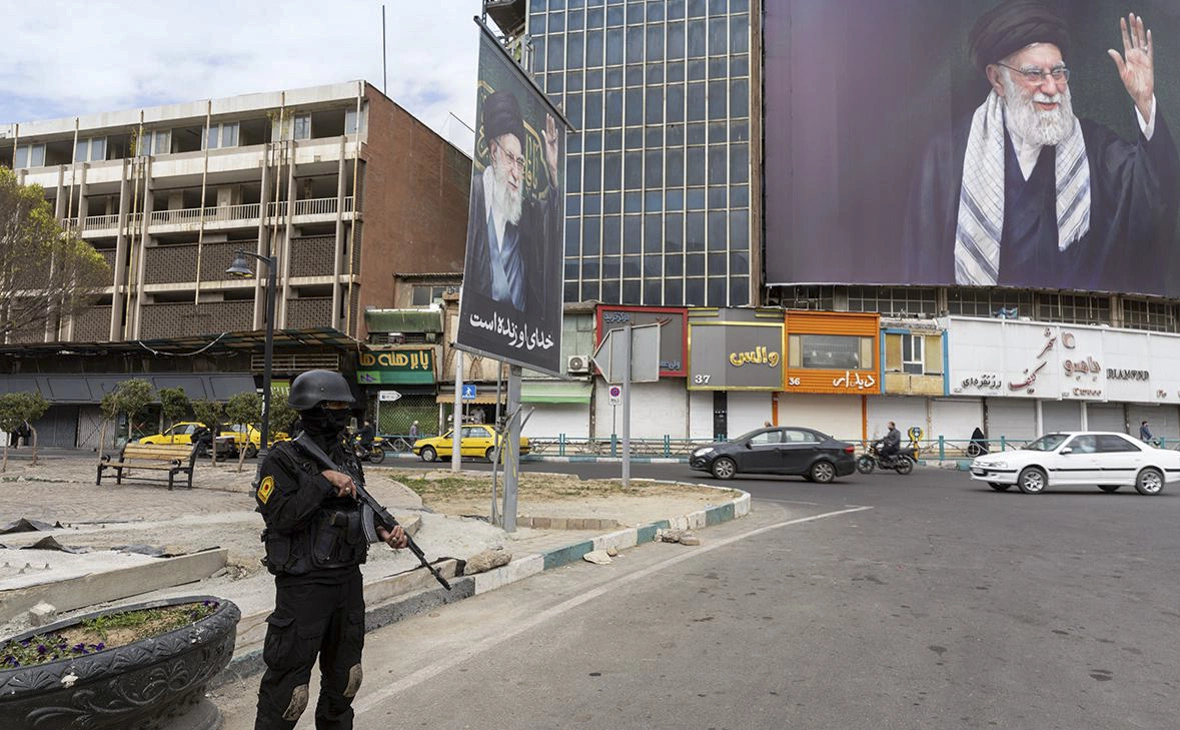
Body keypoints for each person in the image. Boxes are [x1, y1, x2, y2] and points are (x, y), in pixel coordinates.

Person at [903, 3, 1179, 294]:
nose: (1051, 87)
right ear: (997, 79)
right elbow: (923, 268)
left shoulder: (1095, 149)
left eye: (1058, 72)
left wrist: (1144, 102)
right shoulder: (946, 159)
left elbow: (1153, 195)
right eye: (1034, 74)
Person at [253, 370, 407, 730]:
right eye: (334, 406)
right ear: (314, 407)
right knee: (289, 693)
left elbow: (358, 507)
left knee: (346, 680)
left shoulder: (347, 455)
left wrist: (385, 530)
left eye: (343, 406)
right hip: (304, 588)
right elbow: (281, 519)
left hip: (347, 584)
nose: (342, 413)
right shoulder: (282, 459)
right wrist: (323, 482)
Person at [463, 89, 561, 321]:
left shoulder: (524, 213)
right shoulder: (476, 197)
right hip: (483, 325)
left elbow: (551, 226)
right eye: (510, 158)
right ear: (493, 151)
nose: (516, 173)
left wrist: (553, 169)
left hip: (517, 330)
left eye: (520, 162)